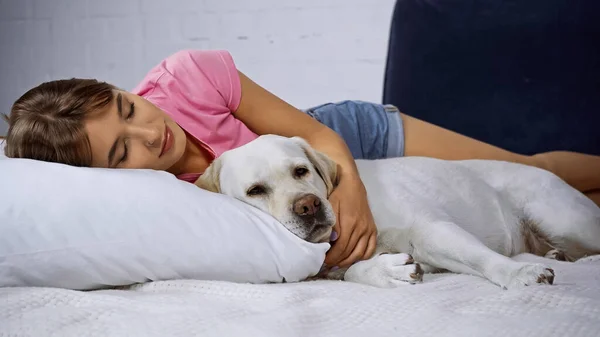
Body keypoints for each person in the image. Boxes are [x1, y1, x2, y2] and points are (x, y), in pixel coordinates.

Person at [3, 49, 600, 269]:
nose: (149, 133)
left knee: (535, 171)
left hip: (340, 136)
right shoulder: (160, 199)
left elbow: (316, 135)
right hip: (295, 177)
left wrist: (353, 199)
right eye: (121, 150)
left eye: (129, 108)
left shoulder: (188, 75)